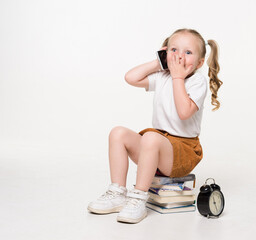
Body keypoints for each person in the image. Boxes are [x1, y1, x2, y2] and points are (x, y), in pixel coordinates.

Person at [87, 28, 222, 224]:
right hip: (157, 146)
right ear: (165, 53)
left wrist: (178, 77)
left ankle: (138, 198)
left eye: (188, 52)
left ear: (200, 62)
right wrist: (157, 64)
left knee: (150, 137)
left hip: (183, 151)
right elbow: (130, 78)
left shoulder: (197, 81)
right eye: (174, 50)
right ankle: (117, 192)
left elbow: (184, 112)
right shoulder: (162, 76)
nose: (179, 57)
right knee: (118, 133)